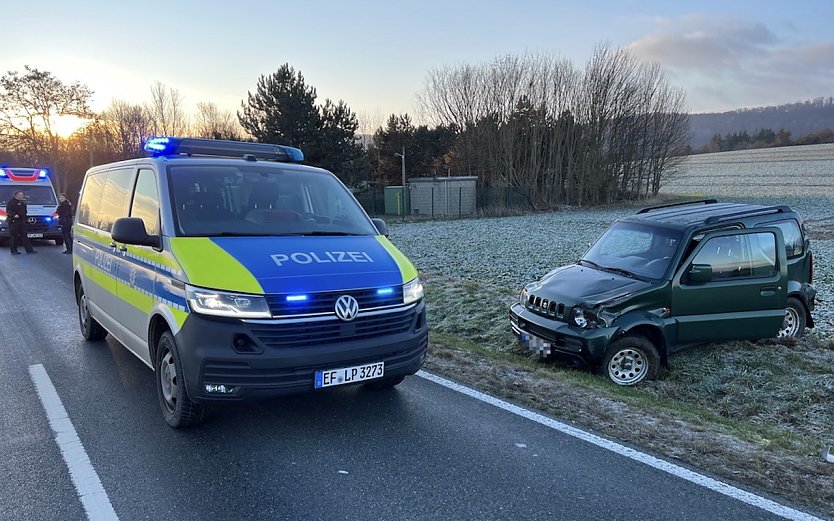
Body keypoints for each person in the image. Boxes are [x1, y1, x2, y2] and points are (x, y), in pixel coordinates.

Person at [5, 190, 36, 255]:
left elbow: (24, 212)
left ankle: (29, 250)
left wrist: (26, 218)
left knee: (24, 235)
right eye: (21, 195)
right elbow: (8, 211)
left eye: (22, 195)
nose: (22, 196)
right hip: (14, 222)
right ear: (16, 196)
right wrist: (13, 215)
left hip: (22, 221)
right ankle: (14, 250)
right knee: (14, 236)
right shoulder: (11, 202)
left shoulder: (22, 203)